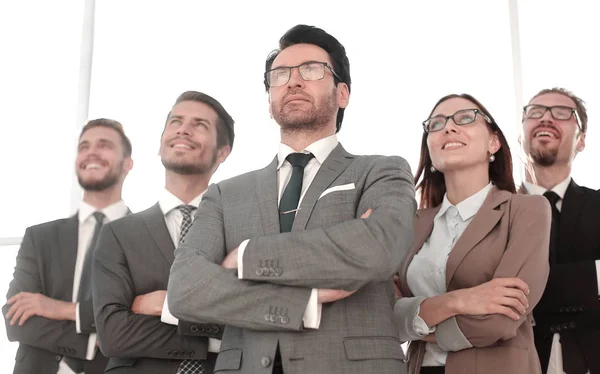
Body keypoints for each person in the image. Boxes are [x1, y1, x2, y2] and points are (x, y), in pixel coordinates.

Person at [166, 24, 416, 374]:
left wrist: (248, 256)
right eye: (280, 75)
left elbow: (379, 248)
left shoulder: (381, 171)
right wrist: (305, 302)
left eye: (311, 70)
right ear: (270, 102)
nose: (293, 81)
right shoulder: (225, 194)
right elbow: (184, 289)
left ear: (342, 93)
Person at [393, 94, 551, 374]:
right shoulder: (410, 224)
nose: (449, 128)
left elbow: (501, 319)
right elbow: (386, 315)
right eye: (436, 123)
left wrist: (421, 324)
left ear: (494, 142)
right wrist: (460, 300)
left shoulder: (527, 210)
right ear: (429, 149)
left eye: (465, 118)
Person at [92, 91, 234, 374]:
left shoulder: (241, 231)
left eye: (200, 125)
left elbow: (255, 318)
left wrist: (168, 306)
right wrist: (213, 336)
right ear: (160, 145)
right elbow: (113, 334)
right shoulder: (117, 233)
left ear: (222, 151)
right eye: (176, 122)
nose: (183, 129)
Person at [3, 119, 133, 374]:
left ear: (128, 164)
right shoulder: (39, 237)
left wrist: (59, 309)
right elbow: (16, 318)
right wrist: (90, 342)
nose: (91, 152)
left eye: (104, 145)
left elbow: (140, 321)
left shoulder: (145, 236)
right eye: (83, 147)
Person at [520, 87, 600, 374]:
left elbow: (515, 290)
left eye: (563, 113)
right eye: (535, 112)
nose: (546, 118)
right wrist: (594, 276)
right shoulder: (493, 211)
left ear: (581, 141)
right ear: (520, 135)